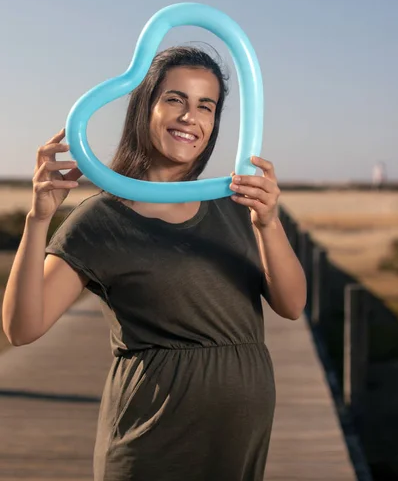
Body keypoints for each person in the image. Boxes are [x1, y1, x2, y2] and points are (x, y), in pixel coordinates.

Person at [2, 47, 307, 481]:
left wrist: (270, 222)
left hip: (237, 446)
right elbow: (22, 327)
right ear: (145, 106)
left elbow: (292, 305)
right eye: (175, 99)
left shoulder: (235, 205)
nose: (190, 117)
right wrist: (38, 220)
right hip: (151, 443)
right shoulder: (102, 219)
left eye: (206, 106)